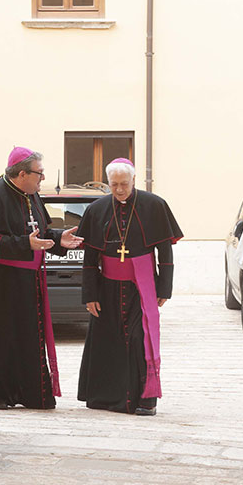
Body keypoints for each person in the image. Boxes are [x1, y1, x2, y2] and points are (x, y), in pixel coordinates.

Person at [0, 147, 83, 409]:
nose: (42, 178)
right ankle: (1, 396)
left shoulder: (31, 195)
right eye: (39, 173)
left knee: (28, 336)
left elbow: (41, 232)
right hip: (0, 283)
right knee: (3, 338)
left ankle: (31, 393)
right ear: (22, 173)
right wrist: (26, 244)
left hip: (27, 280)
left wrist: (59, 239)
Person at [76, 158, 182, 415]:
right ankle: (105, 398)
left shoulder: (154, 205)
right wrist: (90, 294)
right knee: (107, 340)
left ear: (133, 181)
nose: (120, 190)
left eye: (124, 184)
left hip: (141, 285)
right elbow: (90, 259)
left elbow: (165, 252)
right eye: (114, 185)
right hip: (107, 287)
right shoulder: (96, 209)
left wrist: (163, 289)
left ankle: (146, 400)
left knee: (140, 339)